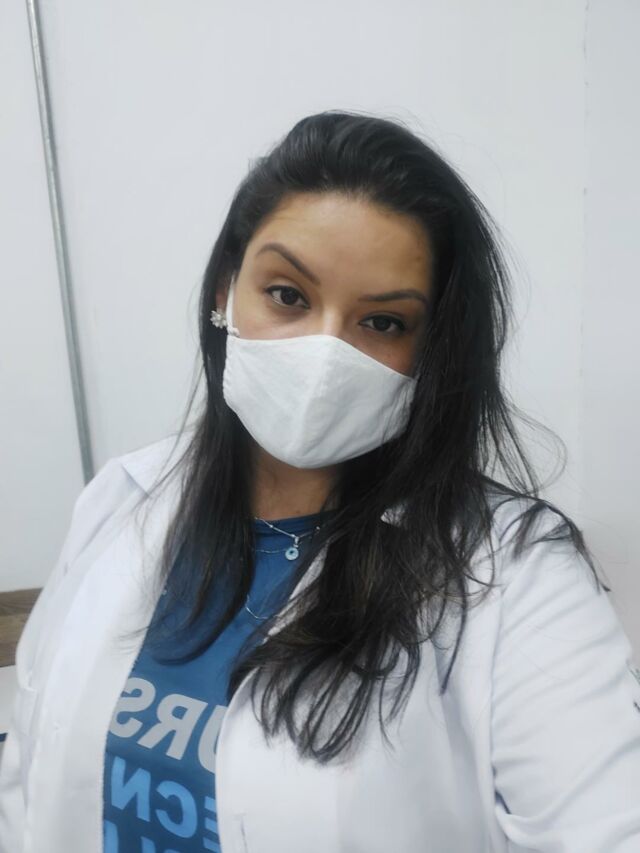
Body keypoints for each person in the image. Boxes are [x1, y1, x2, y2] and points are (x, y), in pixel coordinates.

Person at [1, 110, 639, 853]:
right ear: (223, 291)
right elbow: (29, 768)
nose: (324, 352)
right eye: (287, 295)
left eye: (383, 323)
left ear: (431, 350)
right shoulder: (123, 498)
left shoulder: (516, 577)